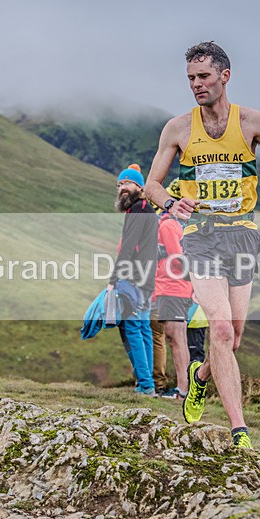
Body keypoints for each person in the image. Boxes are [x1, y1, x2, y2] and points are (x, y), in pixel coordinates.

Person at [145, 41, 260, 449]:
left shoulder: (251, 122)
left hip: (243, 234)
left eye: (203, 77)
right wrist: (170, 201)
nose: (196, 85)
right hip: (200, 236)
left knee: (232, 337)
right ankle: (240, 432)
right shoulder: (178, 129)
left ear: (225, 76)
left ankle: (200, 376)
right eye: (191, 79)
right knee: (217, 326)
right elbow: (151, 184)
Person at [109, 164, 158, 396]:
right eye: (119, 184)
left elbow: (129, 247)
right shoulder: (145, 209)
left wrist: (114, 279)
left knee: (132, 328)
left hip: (135, 278)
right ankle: (147, 382)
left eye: (127, 183)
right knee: (143, 328)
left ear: (140, 187)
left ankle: (145, 384)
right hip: (147, 277)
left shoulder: (138, 210)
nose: (122, 188)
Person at [153, 178, 194, 399]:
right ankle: (183, 388)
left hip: (173, 287)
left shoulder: (168, 224)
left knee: (176, 338)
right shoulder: (174, 223)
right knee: (176, 338)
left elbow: (177, 257)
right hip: (173, 287)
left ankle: (183, 390)